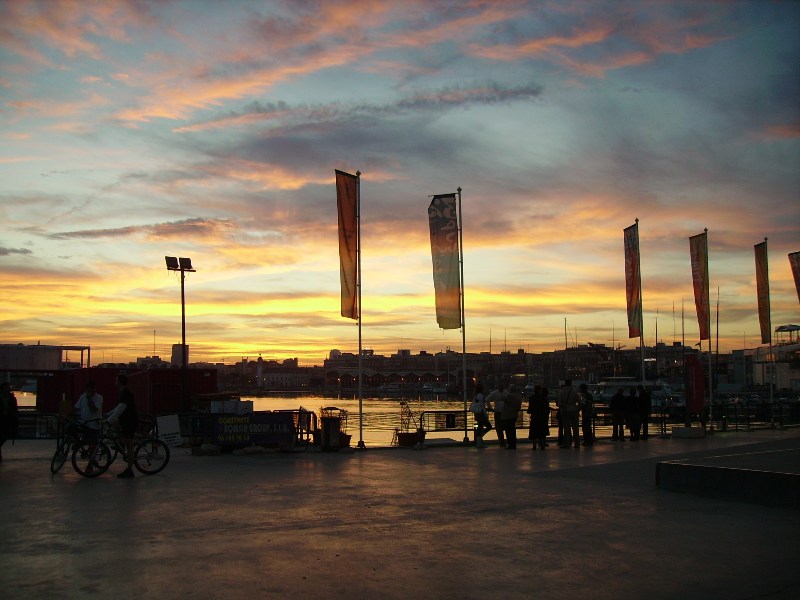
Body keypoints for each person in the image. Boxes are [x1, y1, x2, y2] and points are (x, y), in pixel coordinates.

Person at [107, 373, 139, 478]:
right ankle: (121, 444)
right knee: (124, 439)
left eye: (116, 380)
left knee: (130, 446)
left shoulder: (125, 393)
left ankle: (130, 470)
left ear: (119, 382)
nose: (114, 382)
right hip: (126, 421)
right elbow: (118, 407)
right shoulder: (123, 393)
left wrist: (111, 418)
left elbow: (122, 407)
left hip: (130, 421)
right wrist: (109, 414)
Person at [557, 379, 581, 448]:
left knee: (566, 429)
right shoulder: (574, 391)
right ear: (571, 384)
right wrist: (577, 410)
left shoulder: (561, 392)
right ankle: (577, 443)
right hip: (574, 411)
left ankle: (566, 444)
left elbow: (559, 404)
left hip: (565, 412)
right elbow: (580, 402)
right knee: (575, 428)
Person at [0, 381, 20, 462]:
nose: (8, 389)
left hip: (7, 420)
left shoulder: (12, 398)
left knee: (4, 436)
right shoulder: (12, 398)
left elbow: (15, 410)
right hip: (3, 420)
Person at [470, 383, 492, 448]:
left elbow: (479, 405)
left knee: (480, 427)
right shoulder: (481, 396)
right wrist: (488, 409)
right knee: (488, 426)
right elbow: (481, 405)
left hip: (477, 414)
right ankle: (479, 438)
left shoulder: (476, 395)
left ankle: (478, 439)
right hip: (481, 414)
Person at [528, 386, 550, 450]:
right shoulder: (543, 398)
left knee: (534, 432)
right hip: (542, 417)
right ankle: (542, 445)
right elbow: (546, 408)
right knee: (542, 432)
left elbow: (530, 408)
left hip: (534, 417)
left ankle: (534, 445)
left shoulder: (532, 398)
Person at [501, 385, 523, 449]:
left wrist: (505, 391)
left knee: (508, 431)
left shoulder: (510, 396)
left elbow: (502, 398)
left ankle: (510, 444)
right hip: (514, 414)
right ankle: (513, 444)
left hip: (507, 415)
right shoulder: (518, 396)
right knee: (513, 430)